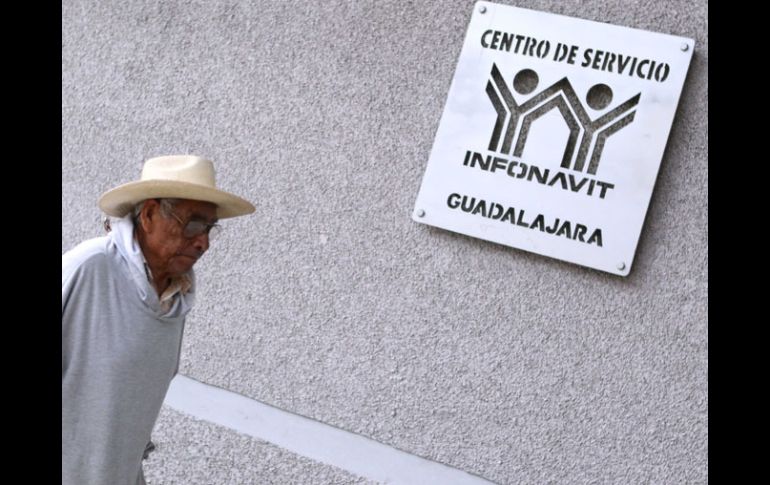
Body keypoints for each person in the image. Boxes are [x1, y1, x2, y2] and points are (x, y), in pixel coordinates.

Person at [62, 155, 255, 485]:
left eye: (210, 228)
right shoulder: (89, 268)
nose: (203, 242)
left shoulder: (174, 295)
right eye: (193, 224)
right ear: (149, 215)